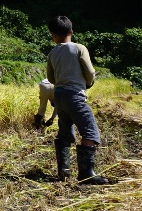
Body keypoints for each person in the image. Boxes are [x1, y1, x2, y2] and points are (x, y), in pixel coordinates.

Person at [46, 15, 108, 185]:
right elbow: (90, 72)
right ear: (71, 32)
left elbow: (50, 77)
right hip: (75, 96)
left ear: (54, 35)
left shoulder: (52, 53)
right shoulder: (79, 48)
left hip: (59, 96)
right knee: (90, 132)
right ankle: (86, 174)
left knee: (65, 133)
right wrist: (88, 83)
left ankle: (63, 171)